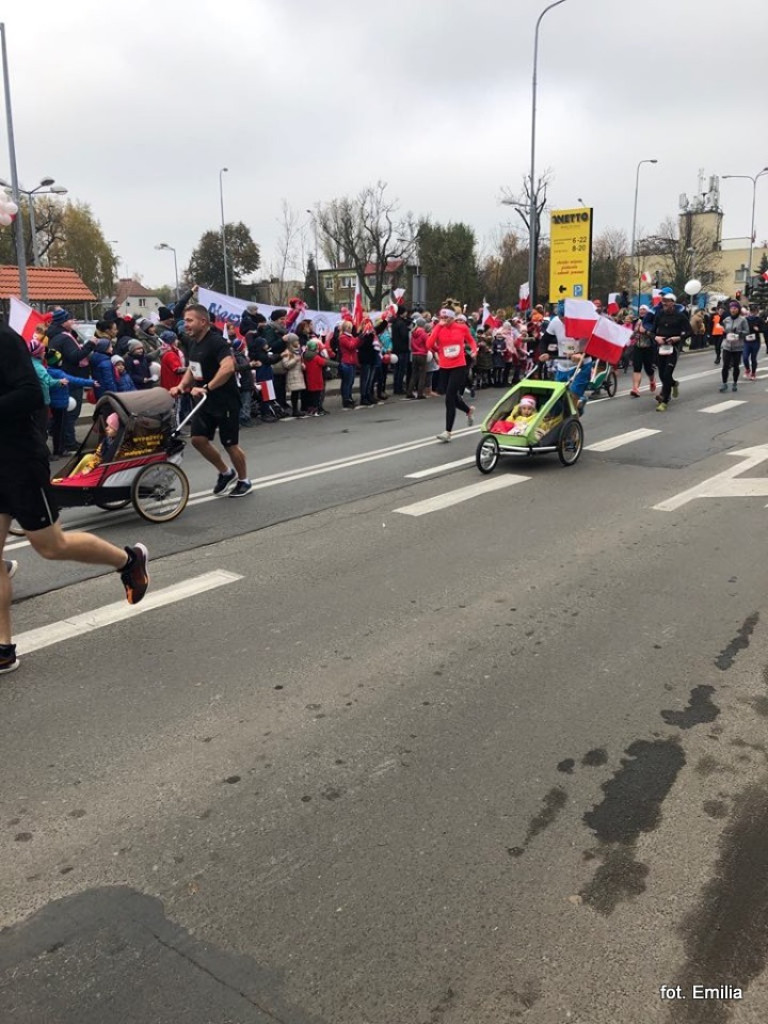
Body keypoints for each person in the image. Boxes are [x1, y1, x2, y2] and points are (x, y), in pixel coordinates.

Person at [0, 323, 149, 673]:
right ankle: (4, 648)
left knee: (52, 546)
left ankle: (128, 561)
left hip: (20, 461)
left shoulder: (4, 340)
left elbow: (31, 394)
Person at [169, 304, 252, 497]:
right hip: (204, 400)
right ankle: (226, 472)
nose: (185, 325)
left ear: (203, 322)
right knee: (198, 440)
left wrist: (207, 387)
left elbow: (228, 368)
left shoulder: (217, 342)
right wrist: (181, 386)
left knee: (230, 444)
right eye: (185, 321)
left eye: (189, 320)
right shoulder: (192, 342)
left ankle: (244, 480)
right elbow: (193, 368)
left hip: (225, 400)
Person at [46, 308, 94, 454]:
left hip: (66, 377)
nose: (73, 322)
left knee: (65, 413)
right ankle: (69, 443)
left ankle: (65, 440)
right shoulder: (64, 338)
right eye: (70, 319)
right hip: (71, 378)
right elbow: (75, 356)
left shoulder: (57, 336)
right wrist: (90, 344)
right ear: (63, 322)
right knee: (71, 412)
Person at [428, 308, 477, 442]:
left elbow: (471, 341)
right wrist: (438, 327)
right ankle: (468, 410)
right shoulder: (439, 328)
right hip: (444, 366)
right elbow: (429, 344)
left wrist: (474, 351)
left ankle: (447, 432)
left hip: (459, 365)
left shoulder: (461, 328)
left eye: (446, 318)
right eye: (441, 318)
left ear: (452, 318)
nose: (444, 320)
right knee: (452, 396)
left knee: (449, 396)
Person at [45, 350, 92, 457]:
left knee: (57, 427)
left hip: (55, 403)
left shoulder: (49, 371)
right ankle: (59, 450)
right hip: (60, 404)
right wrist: (90, 382)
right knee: (60, 428)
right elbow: (73, 380)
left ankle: (60, 449)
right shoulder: (58, 373)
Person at [650, 294, 690, 412]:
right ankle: (674, 384)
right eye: (663, 302)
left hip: (673, 348)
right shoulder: (660, 315)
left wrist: (677, 338)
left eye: (667, 301)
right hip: (661, 348)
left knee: (667, 374)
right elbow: (652, 332)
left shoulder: (680, 316)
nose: (664, 303)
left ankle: (664, 400)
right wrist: (656, 338)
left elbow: (689, 331)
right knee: (662, 375)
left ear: (673, 302)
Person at [719, 300, 749, 392]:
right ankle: (724, 384)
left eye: (735, 308)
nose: (733, 310)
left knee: (736, 366)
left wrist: (739, 333)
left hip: (738, 346)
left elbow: (747, 332)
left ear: (738, 309)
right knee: (725, 366)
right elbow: (722, 329)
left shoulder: (742, 320)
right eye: (732, 308)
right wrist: (723, 333)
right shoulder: (726, 320)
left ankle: (735, 383)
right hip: (727, 346)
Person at [629, 307, 656, 397]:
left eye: (644, 309)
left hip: (648, 347)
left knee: (648, 368)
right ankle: (635, 389)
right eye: (641, 309)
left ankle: (652, 381)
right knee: (637, 368)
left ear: (647, 312)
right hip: (638, 347)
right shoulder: (636, 321)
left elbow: (655, 335)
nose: (642, 311)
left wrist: (646, 331)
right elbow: (632, 335)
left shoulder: (651, 321)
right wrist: (634, 332)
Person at [743, 304, 765, 380]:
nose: (753, 313)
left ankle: (753, 373)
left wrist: (758, 329)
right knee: (745, 357)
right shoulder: (745, 319)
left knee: (753, 358)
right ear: (749, 311)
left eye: (754, 312)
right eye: (752, 311)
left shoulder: (759, 320)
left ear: (757, 312)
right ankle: (747, 369)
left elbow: (764, 329)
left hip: (755, 342)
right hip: (746, 341)